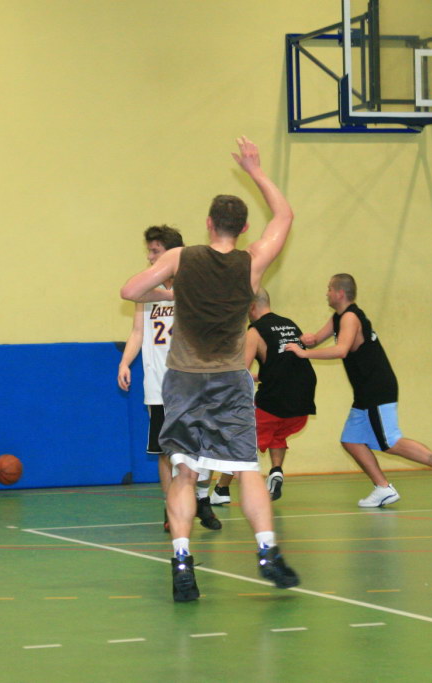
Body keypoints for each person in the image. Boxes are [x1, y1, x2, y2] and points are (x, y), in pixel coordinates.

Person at [121, 136, 300, 602]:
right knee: (246, 469)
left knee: (184, 473)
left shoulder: (181, 258)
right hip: (228, 379)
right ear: (243, 228)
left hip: (182, 379)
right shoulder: (251, 263)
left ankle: (182, 561)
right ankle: (267, 551)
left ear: (207, 223)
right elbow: (284, 217)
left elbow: (129, 291)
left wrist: (169, 291)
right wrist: (256, 171)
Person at [285, 274, 432, 508]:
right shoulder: (338, 317)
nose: (326, 293)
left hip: (377, 387)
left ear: (340, 293)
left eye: (329, 289)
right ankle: (383, 488)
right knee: (351, 440)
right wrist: (303, 340)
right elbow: (317, 339)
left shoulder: (350, 318)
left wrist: (304, 354)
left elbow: (341, 350)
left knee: (390, 441)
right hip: (364, 391)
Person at [117, 226, 221, 533]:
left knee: (202, 446)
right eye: (149, 251)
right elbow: (138, 332)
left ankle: (202, 497)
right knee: (165, 451)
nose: (150, 257)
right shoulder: (144, 290)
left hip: (192, 382)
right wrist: (124, 362)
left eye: (155, 251)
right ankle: (171, 506)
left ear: (173, 254)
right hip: (158, 385)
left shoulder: (195, 285)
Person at [211, 287, 316, 503]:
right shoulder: (290, 324)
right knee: (278, 434)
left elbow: (241, 371)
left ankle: (222, 490)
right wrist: (261, 376)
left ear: (251, 306)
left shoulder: (255, 331)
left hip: (275, 398)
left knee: (240, 439)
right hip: (303, 396)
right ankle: (276, 470)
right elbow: (284, 363)